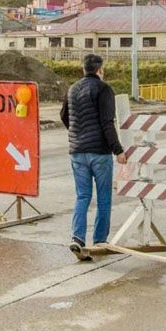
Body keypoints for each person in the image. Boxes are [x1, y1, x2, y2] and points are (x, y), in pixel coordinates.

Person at [60, 54, 127, 261]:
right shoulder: (103, 89)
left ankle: (78, 238)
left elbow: (64, 115)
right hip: (99, 152)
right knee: (104, 198)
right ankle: (99, 241)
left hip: (77, 151)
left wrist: (77, 134)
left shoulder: (72, 89)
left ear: (84, 70)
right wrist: (118, 150)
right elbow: (107, 122)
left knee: (83, 196)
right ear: (100, 70)